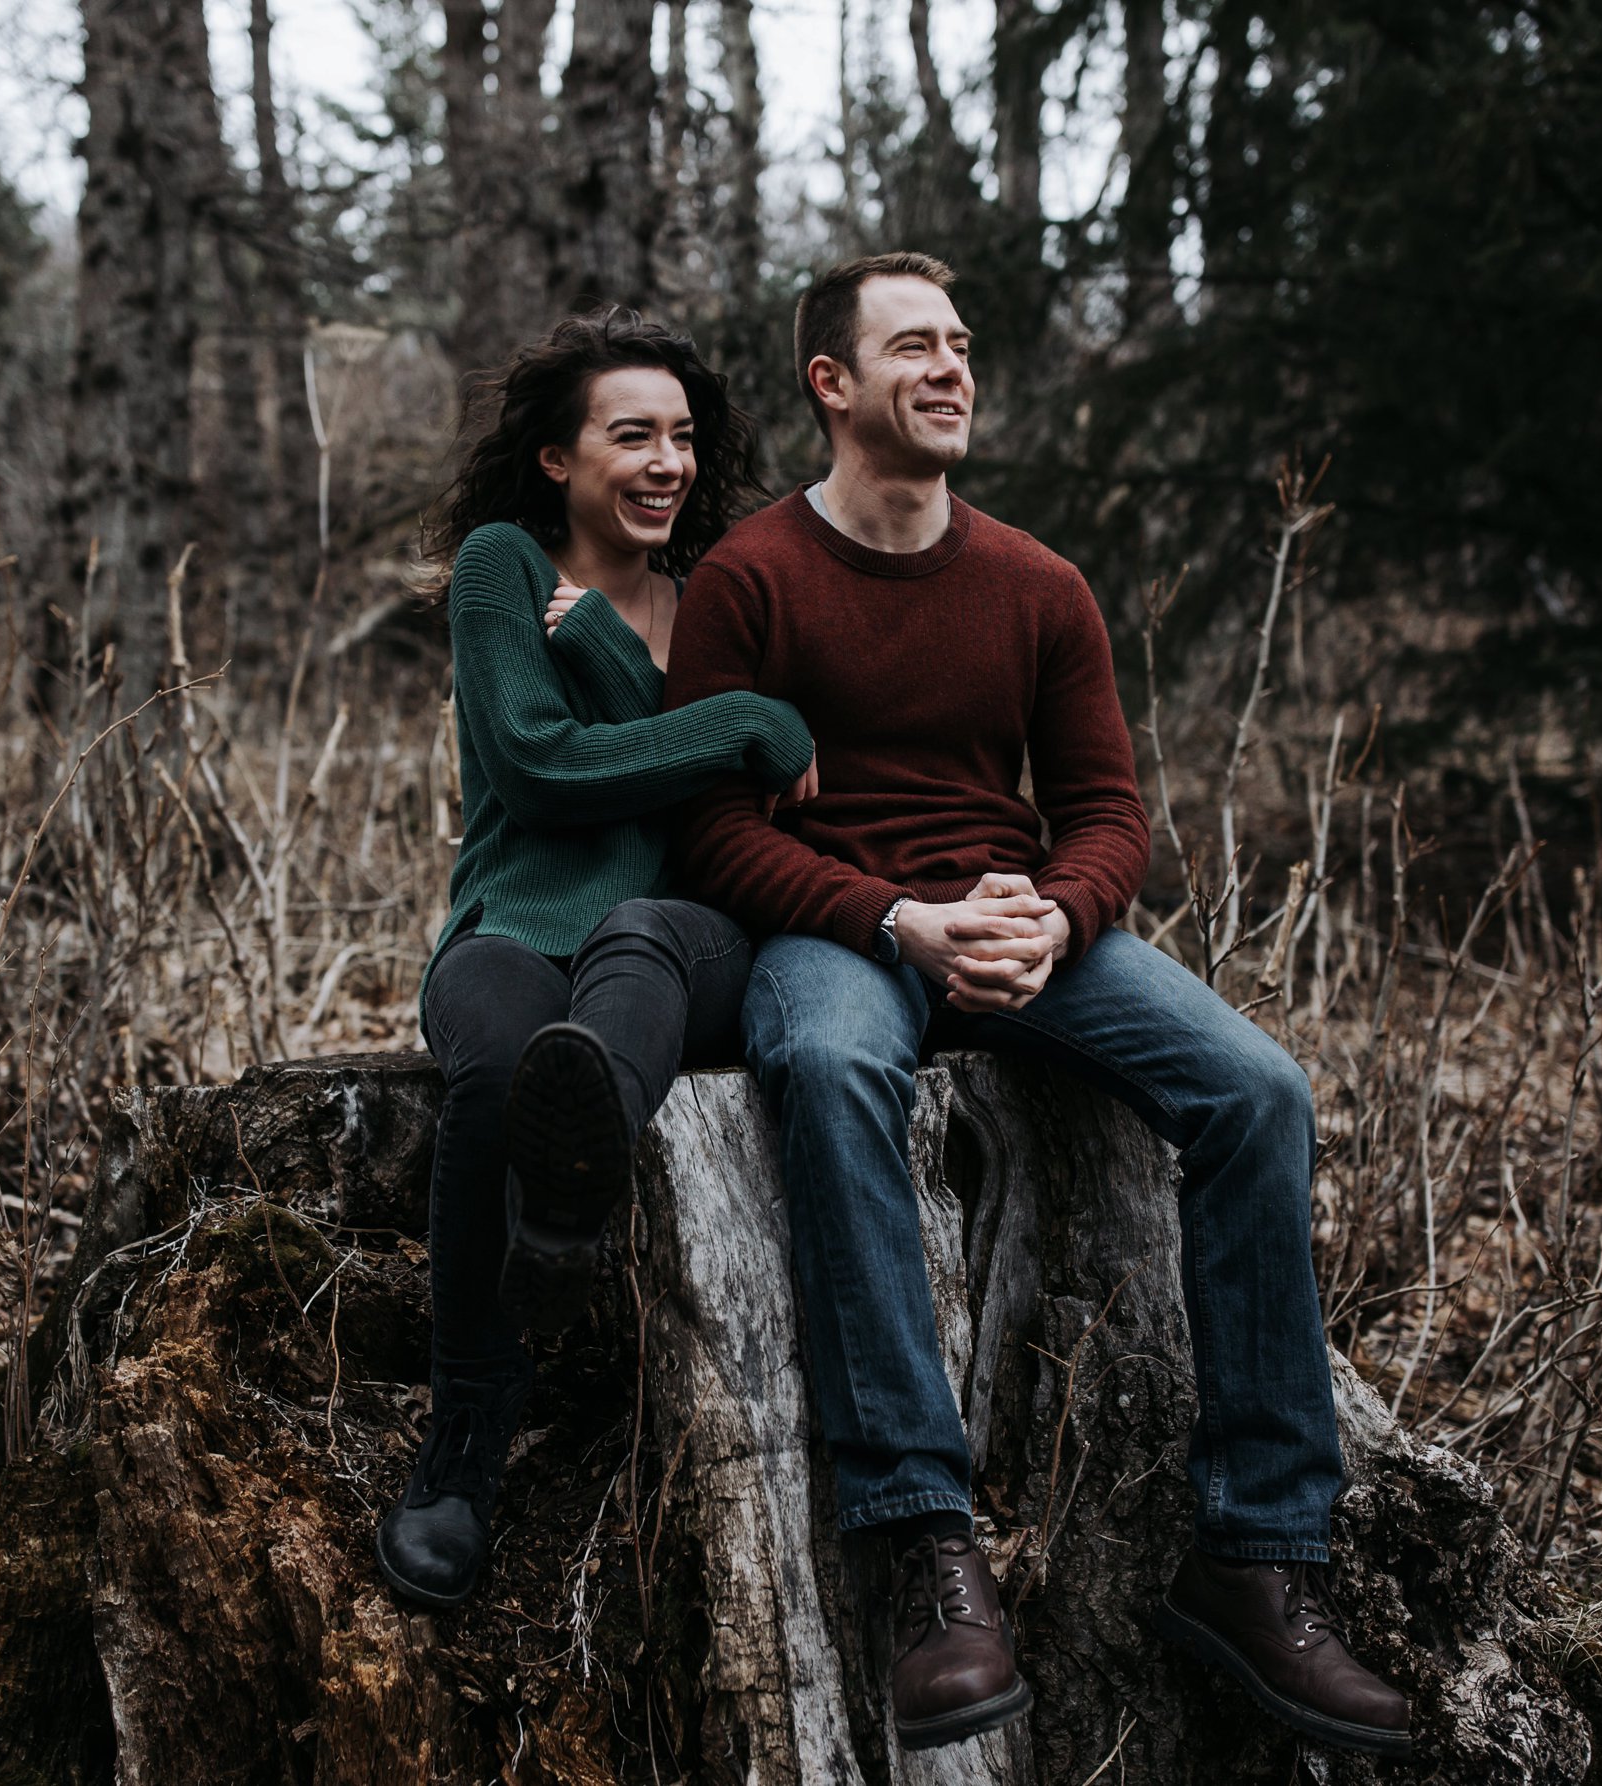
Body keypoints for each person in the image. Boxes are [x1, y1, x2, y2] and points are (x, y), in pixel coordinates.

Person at [663, 253, 1413, 1757]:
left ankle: (1258, 1555)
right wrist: (891, 917)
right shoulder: (749, 577)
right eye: (914, 349)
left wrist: (1052, 916)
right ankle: (928, 1549)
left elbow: (1107, 815)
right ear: (833, 384)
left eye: (961, 347)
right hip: (843, 928)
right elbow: (710, 832)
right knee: (818, 1060)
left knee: (1257, 1089)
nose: (953, 371)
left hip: (1016, 928)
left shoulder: (1035, 583)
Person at [378, 309, 820, 1612]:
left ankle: (569, 1213)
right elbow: (541, 765)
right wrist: (720, 714)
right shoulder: (503, 570)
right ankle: (464, 1442)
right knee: (500, 1063)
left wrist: (614, 662)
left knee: (627, 972)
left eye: (685, 436)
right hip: (515, 920)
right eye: (632, 434)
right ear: (559, 460)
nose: (668, 461)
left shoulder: (725, 586)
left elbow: (754, 798)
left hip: (681, 939)